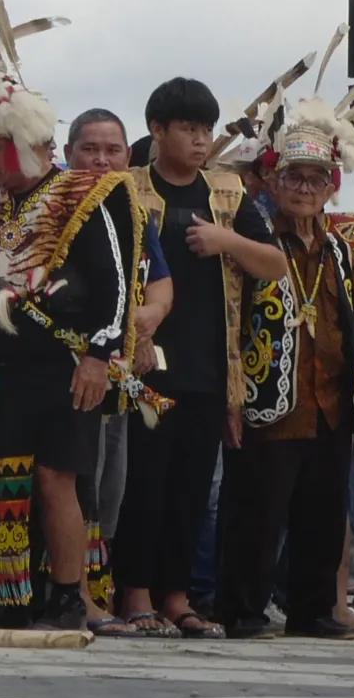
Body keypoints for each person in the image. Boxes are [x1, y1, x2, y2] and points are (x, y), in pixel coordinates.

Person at [0, 45, 133, 633]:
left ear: (25, 144)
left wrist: (99, 355)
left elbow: (115, 288)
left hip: (63, 366)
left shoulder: (86, 196)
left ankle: (69, 597)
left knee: (55, 479)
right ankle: (5, 600)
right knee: (1, 480)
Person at [117, 76, 282, 639]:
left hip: (211, 366)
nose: (200, 139)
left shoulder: (230, 194)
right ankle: (134, 592)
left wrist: (226, 242)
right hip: (142, 365)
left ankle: (177, 596)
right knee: (144, 481)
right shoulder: (125, 188)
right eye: (188, 127)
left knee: (191, 487)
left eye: (207, 128)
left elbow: (274, 264)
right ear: (156, 129)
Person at [218, 94, 354, 639]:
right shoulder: (255, 237)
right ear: (272, 179)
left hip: (331, 399)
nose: (305, 189)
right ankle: (241, 608)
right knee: (257, 510)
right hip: (272, 394)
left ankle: (312, 609)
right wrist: (233, 393)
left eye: (317, 179)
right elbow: (232, 316)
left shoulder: (340, 248)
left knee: (324, 508)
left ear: (332, 184)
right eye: (294, 178)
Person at [64, 106, 173, 637]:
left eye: (112, 151)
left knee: (112, 486)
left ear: (128, 159)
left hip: (122, 376)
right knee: (78, 481)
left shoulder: (136, 213)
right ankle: (77, 596)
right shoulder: (54, 209)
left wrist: (147, 322)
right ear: (68, 156)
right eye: (90, 150)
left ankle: (97, 590)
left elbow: (161, 286)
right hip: (69, 371)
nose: (102, 160)